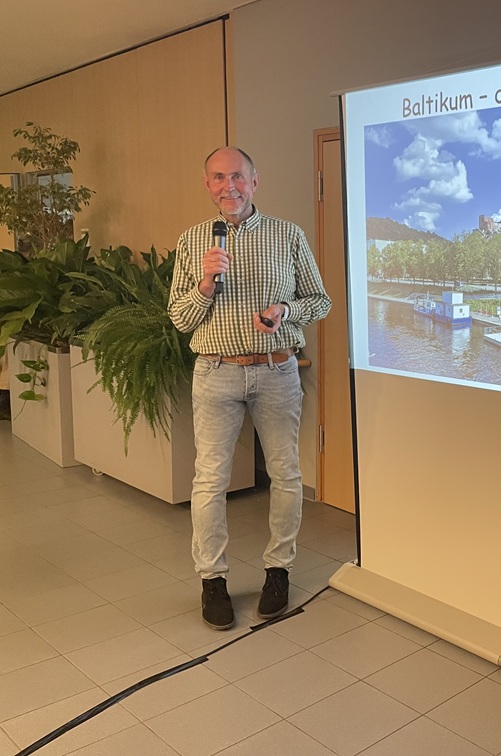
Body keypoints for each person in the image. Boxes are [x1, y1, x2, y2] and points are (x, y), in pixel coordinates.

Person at [168, 147, 332, 630]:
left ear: (255, 181)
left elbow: (319, 300)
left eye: (237, 176)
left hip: (277, 370)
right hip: (216, 371)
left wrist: (286, 310)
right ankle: (212, 580)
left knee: (285, 474)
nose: (229, 186)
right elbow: (180, 318)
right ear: (207, 185)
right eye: (219, 178)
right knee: (210, 480)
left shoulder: (288, 234)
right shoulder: (193, 240)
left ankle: (278, 571)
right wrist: (205, 284)